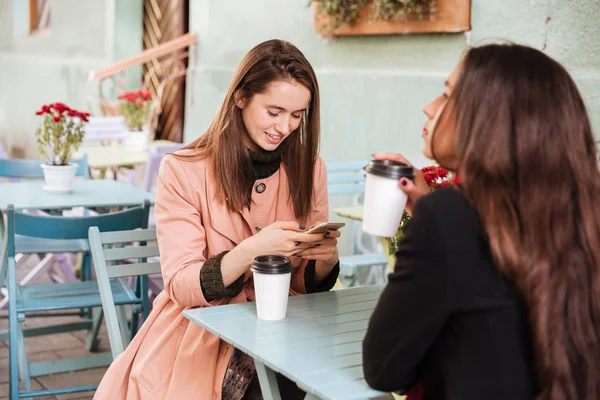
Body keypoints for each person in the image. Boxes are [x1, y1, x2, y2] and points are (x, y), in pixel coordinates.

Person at [94, 39, 341, 400]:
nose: (284, 126)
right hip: (202, 331)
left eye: (296, 115)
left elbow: (302, 283)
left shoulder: (309, 169)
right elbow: (181, 285)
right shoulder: (183, 170)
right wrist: (253, 250)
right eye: (273, 111)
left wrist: (325, 262)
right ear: (240, 97)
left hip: (287, 326)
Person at [363, 43, 600, 400]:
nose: (428, 108)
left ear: (490, 121)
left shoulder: (448, 217)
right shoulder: (582, 216)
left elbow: (384, 368)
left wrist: (434, 220)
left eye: (446, 96)